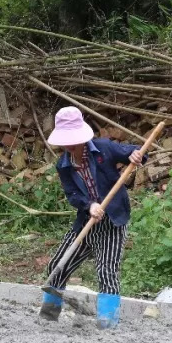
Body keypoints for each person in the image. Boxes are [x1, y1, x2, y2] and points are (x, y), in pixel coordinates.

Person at [40, 107, 143, 329]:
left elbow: (133, 151)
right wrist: (90, 206)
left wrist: (137, 154)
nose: (69, 145)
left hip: (112, 222)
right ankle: (49, 316)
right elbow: (72, 195)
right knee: (59, 263)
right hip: (86, 222)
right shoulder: (64, 165)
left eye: (73, 140)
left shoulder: (104, 149)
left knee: (107, 270)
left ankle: (107, 322)